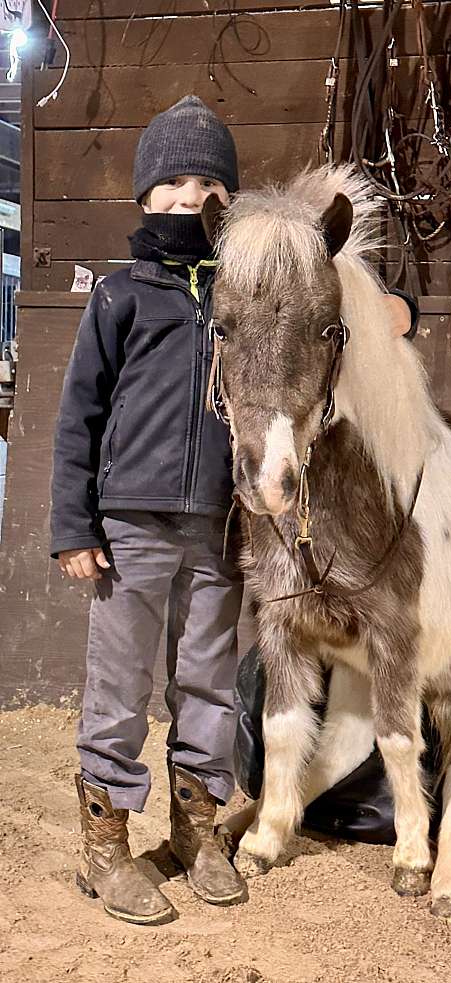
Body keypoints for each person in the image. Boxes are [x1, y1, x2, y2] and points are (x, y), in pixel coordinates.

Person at [50, 96, 247, 925]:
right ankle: (107, 849)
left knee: (208, 680)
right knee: (120, 682)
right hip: (129, 523)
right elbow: (77, 416)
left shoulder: (245, 294)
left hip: (219, 525)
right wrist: (73, 527)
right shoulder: (122, 295)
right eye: (171, 181)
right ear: (143, 196)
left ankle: (197, 830)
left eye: (205, 181)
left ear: (228, 199)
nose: (188, 194)